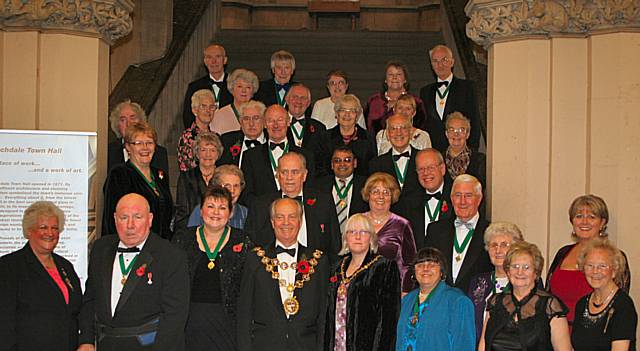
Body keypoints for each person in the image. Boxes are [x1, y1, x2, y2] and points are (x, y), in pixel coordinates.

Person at [78, 193, 190, 351]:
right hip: (105, 345)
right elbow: (90, 300)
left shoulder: (171, 255)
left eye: (137, 217)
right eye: (124, 217)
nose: (130, 225)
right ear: (115, 219)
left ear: (150, 219)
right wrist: (86, 340)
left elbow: (175, 316)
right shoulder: (100, 249)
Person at [237, 198, 329, 351]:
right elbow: (244, 312)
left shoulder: (319, 262)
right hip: (264, 346)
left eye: (292, 217)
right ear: (272, 222)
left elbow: (323, 315)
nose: (286, 223)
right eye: (280, 217)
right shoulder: (255, 260)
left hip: (305, 346)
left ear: (300, 221)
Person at [172, 186, 252, 351]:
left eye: (222, 208)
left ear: (230, 214)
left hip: (228, 322)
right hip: (189, 321)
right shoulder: (182, 238)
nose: (216, 212)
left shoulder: (243, 241)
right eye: (210, 206)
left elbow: (249, 287)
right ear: (201, 211)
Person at [0, 201, 83, 351]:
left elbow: (76, 312)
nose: (50, 233)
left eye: (55, 228)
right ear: (29, 230)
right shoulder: (9, 266)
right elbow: (4, 322)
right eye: (43, 227)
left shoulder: (66, 266)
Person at [547, 194, 631, 326]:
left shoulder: (614, 256)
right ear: (572, 221)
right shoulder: (563, 253)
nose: (584, 222)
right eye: (579, 216)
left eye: (592, 217)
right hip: (556, 332)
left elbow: (618, 302)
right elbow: (548, 295)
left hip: (593, 334)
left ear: (602, 223)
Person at [244, 152, 341, 262]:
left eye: (295, 172)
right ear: (278, 175)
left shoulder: (323, 202)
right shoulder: (260, 205)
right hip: (270, 272)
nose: (289, 177)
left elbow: (334, 244)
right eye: (284, 172)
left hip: (315, 272)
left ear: (304, 175)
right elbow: (252, 245)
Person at [324, 214, 400, 351]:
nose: (357, 237)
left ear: (371, 238)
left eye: (363, 232)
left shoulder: (385, 267)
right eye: (352, 232)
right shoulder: (336, 268)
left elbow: (388, 321)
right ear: (346, 238)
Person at [479, 241, 572, 351]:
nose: (520, 272)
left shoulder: (550, 306)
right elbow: (483, 345)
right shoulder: (495, 302)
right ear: (508, 271)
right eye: (515, 266)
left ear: (536, 272)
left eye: (526, 267)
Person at [103, 121, 173, 240]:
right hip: (132, 245)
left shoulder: (161, 176)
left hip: (160, 247)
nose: (145, 148)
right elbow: (111, 219)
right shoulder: (119, 174)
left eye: (149, 143)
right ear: (128, 147)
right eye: (139, 143)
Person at [396, 247, 476, 351]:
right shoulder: (406, 300)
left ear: (442, 271)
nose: (425, 269)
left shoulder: (457, 302)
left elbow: (464, 346)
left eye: (432, 265)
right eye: (420, 265)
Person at [424, 174, 491, 293]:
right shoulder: (435, 230)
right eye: (458, 195)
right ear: (451, 198)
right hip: (441, 301)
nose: (462, 201)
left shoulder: (490, 233)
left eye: (468, 195)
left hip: (475, 303)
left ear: (479, 199)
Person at [241, 104, 316, 203]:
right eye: (271, 120)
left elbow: (310, 190)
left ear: (288, 122)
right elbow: (247, 193)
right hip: (263, 213)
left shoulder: (307, 156)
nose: (275, 125)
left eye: (280, 120)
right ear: (264, 124)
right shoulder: (250, 156)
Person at [572, 239, 637, 351]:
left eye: (602, 266)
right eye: (590, 265)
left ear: (614, 271)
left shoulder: (623, 305)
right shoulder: (581, 304)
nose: (595, 271)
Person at [467, 222, 524, 343]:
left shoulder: (526, 281)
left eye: (504, 245)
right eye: (493, 245)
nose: (498, 250)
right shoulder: (477, 281)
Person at [420, 44, 481, 153]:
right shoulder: (425, 91)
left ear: (452, 62)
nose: (440, 64)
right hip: (434, 152)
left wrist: (472, 150)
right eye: (435, 61)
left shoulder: (467, 87)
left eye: (444, 60)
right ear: (431, 65)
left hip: (461, 149)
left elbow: (475, 120)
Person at [362, 172, 417, 293]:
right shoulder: (357, 222)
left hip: (391, 291)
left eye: (386, 192)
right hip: (359, 288)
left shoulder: (402, 225)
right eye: (375, 191)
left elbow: (410, 264)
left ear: (392, 197)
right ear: (368, 195)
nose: (380, 196)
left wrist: (404, 292)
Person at [397, 148, 453, 250]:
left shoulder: (456, 198)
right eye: (421, 169)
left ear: (443, 169)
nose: (426, 173)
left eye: (431, 167)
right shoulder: (407, 202)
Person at [107, 99, 170, 181]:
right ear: (117, 125)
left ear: (141, 122)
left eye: (132, 118)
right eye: (123, 120)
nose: (128, 124)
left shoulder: (159, 152)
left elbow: (162, 185)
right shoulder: (108, 152)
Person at [319, 94, 377, 177]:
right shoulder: (325, 137)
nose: (347, 114)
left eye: (352, 111)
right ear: (337, 114)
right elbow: (321, 168)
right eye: (343, 110)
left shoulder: (368, 138)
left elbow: (372, 169)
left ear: (357, 115)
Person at [175, 132, 223, 230]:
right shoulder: (186, 177)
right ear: (197, 153)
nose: (208, 154)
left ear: (218, 154)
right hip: (191, 229)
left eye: (212, 150)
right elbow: (182, 212)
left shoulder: (223, 177)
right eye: (203, 150)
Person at [364, 60, 427, 135]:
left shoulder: (416, 102)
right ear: (385, 79)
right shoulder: (373, 101)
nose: (394, 77)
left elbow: (420, 131)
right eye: (390, 74)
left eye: (399, 74)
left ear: (405, 79)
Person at [369, 114, 422, 201]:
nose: (399, 133)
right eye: (393, 129)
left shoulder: (423, 159)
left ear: (411, 132)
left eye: (403, 128)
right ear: (388, 135)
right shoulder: (376, 164)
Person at [316, 146, 369, 233]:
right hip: (327, 239)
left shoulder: (366, 185)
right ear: (332, 165)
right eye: (337, 161)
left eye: (347, 160)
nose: (342, 164)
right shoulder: (319, 186)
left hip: (357, 237)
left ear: (355, 163)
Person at [182, 44, 232, 129]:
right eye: (209, 57)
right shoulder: (194, 86)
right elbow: (188, 115)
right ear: (205, 61)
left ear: (225, 60)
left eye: (218, 57)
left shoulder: (235, 86)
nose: (214, 61)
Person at [187, 165, 249, 230]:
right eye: (227, 186)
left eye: (236, 186)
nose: (232, 191)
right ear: (216, 187)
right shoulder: (201, 211)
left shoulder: (245, 213)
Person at [218, 100, 267, 167]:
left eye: (256, 118)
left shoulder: (272, 140)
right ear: (240, 122)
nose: (251, 124)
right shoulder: (226, 141)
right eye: (246, 119)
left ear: (264, 121)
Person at [211, 68, 260, 135]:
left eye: (248, 87)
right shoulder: (220, 115)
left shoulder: (260, 113)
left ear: (253, 92)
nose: (244, 91)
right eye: (240, 86)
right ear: (232, 89)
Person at [177, 89, 216, 172]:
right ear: (194, 110)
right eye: (203, 106)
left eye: (211, 107)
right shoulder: (187, 137)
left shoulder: (216, 137)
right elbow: (188, 170)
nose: (208, 110)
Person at [443, 112, 486, 187]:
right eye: (452, 130)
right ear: (446, 133)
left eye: (461, 130)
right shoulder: (438, 159)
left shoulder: (480, 160)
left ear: (468, 134)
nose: (456, 134)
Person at [285, 83, 326, 150]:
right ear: (287, 99)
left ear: (308, 103)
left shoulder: (319, 128)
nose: (298, 101)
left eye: (303, 98)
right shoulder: (277, 125)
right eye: (295, 97)